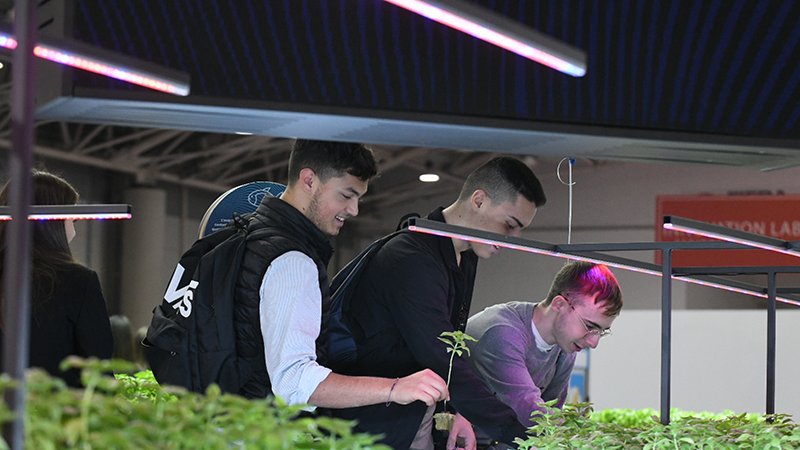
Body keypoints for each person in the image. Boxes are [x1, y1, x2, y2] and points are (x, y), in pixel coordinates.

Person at [326, 156, 547, 450]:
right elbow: (442, 357)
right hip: (370, 428)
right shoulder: (412, 258)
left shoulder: (464, 256)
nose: (513, 239)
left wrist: (454, 414)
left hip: (414, 419)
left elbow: (449, 350)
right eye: (509, 225)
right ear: (478, 200)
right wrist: (527, 438)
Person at [233, 139, 449, 411]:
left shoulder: (243, 235)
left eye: (358, 198)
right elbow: (294, 381)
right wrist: (395, 388)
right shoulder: (293, 261)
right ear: (309, 180)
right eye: (346, 195)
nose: (354, 210)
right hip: (254, 427)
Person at [466, 262, 622, 433]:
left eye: (601, 332)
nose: (593, 343)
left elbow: (551, 411)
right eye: (589, 326)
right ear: (559, 304)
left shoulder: (565, 347)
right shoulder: (502, 332)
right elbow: (528, 409)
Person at [0, 169, 113, 387]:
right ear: (54, 223)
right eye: (73, 220)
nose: (74, 229)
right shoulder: (78, 281)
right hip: (56, 407)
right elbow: (99, 369)